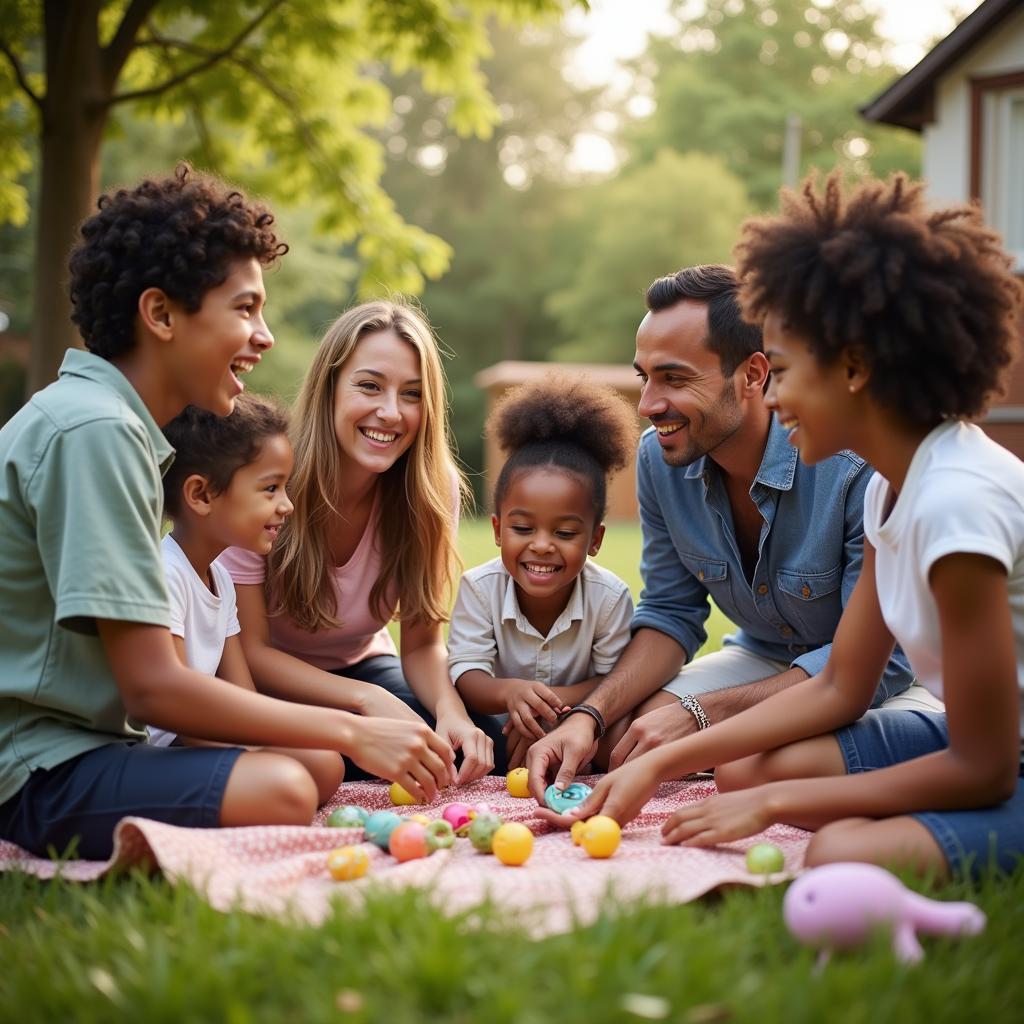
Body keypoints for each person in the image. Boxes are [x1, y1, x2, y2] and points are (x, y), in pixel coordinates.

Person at [559, 172, 1024, 879]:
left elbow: (985, 769)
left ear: (855, 368)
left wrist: (781, 801)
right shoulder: (894, 492)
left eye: (780, 372)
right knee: (740, 771)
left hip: (999, 759)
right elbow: (841, 684)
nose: (771, 398)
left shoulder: (955, 503)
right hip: (979, 739)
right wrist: (670, 758)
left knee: (837, 850)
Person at [0, 167, 452, 860]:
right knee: (285, 788)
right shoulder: (96, 432)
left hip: (80, 748)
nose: (264, 336)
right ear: (160, 315)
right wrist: (353, 727)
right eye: (245, 309)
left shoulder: (109, 424)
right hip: (35, 770)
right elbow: (153, 689)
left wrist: (340, 726)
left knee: (308, 768)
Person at [527, 263, 925, 801]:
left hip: (893, 675)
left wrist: (699, 715)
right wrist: (589, 715)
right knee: (622, 741)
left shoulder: (851, 466)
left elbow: (881, 663)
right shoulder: (659, 461)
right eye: (645, 377)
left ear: (754, 374)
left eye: (674, 377)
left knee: (758, 764)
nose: (647, 406)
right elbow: (670, 612)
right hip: (764, 655)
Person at [222, 300, 496, 783]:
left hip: (364, 669)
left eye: (412, 394)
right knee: (323, 761)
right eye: (369, 386)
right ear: (329, 389)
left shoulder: (434, 489)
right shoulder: (265, 479)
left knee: (479, 737)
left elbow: (421, 644)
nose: (391, 413)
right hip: (266, 684)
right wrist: (368, 704)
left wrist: (453, 713)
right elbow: (250, 652)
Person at [150, 395, 343, 805]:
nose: (287, 505)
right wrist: (255, 757)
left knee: (326, 765)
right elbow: (187, 719)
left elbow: (244, 697)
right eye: (270, 488)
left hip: (207, 738)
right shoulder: (164, 575)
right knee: (285, 782)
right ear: (201, 495)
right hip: (163, 750)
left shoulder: (220, 576)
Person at [449, 376, 637, 769]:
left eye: (565, 533)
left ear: (595, 539)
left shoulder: (609, 597)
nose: (542, 545)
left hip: (582, 723)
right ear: (498, 530)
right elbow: (466, 675)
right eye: (522, 529)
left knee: (627, 735)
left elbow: (615, 681)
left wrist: (548, 707)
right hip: (498, 730)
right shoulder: (480, 589)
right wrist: (512, 695)